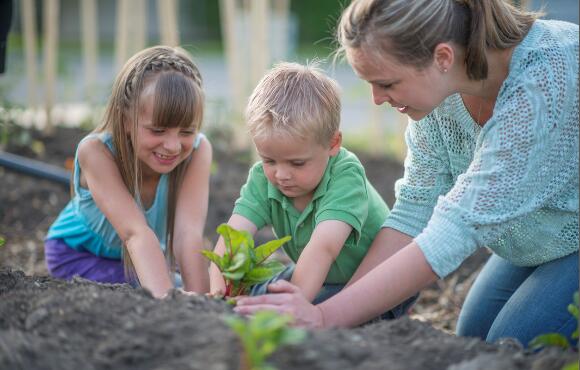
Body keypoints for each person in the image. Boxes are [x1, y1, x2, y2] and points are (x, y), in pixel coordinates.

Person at [234, 0, 579, 348]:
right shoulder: (441, 95)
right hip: (544, 236)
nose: (376, 98)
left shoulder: (543, 81)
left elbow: (457, 227)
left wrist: (325, 317)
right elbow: (413, 211)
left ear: (442, 57)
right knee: (474, 337)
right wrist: (335, 309)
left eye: (386, 83)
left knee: (515, 344)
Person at [209, 62, 416, 318]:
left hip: (374, 282)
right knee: (257, 295)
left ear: (333, 144)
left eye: (297, 163)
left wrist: (288, 312)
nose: (281, 174)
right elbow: (233, 238)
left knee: (304, 307)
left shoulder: (345, 175)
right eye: (269, 160)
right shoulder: (263, 179)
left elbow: (324, 247)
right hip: (321, 277)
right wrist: (220, 295)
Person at [45, 46, 212, 298]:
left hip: (136, 262)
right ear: (125, 120)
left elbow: (188, 234)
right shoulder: (96, 152)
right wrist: (171, 301)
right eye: (157, 130)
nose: (173, 145)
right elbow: (135, 233)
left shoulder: (198, 151)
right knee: (154, 289)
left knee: (185, 286)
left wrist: (202, 299)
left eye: (186, 132)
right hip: (78, 255)